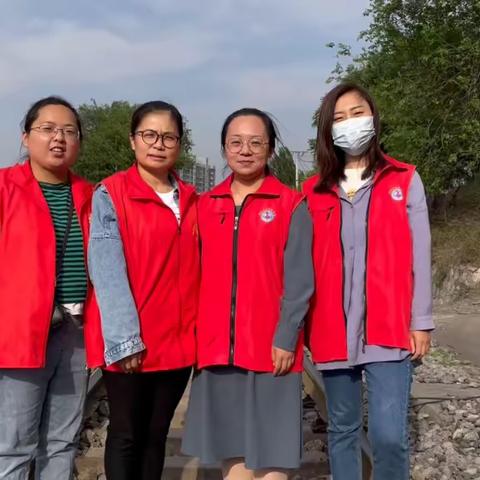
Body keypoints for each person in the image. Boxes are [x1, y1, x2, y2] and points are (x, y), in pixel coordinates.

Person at [303, 82, 433, 479]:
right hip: (332, 328)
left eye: (357, 113)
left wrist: (421, 320)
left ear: (374, 118)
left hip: (389, 326)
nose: (350, 124)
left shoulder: (404, 180)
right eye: (339, 118)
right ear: (328, 131)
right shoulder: (314, 191)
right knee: (342, 429)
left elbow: (421, 254)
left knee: (389, 435)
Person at [182, 108, 314, 480]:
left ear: (270, 149)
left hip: (272, 350)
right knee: (232, 456)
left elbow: (301, 280)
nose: (245, 150)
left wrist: (287, 336)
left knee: (274, 459)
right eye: (236, 142)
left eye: (256, 142)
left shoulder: (290, 204)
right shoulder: (205, 206)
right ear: (224, 148)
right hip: (217, 350)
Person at [85, 101, 200, 480]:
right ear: (133, 141)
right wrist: (124, 339)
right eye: (149, 135)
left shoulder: (191, 198)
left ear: (180, 143)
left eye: (168, 136)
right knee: (126, 434)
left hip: (179, 341)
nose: (158, 144)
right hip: (133, 341)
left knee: (156, 435)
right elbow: (107, 270)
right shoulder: (111, 194)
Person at [0, 96, 94, 479]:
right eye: (48, 129)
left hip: (76, 333)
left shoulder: (90, 195)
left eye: (69, 131)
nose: (59, 138)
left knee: (62, 441)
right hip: (21, 334)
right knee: (15, 446)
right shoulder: (6, 188)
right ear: (26, 137)